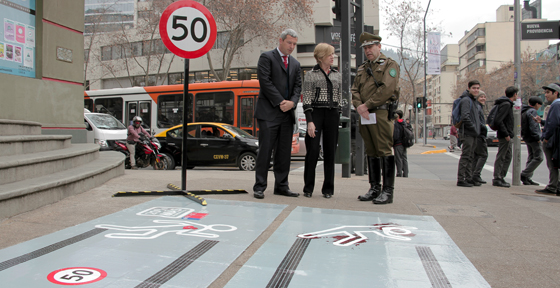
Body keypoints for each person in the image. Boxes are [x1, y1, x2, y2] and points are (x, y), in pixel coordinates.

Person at [252, 29, 302, 199]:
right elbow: (265, 82)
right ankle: (259, 186)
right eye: (289, 43)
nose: (292, 46)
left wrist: (293, 103)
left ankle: (282, 186)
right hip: (268, 113)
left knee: (283, 153)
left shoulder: (295, 64)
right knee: (265, 151)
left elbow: (297, 87)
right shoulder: (267, 57)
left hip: (287, 115)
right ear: (280, 40)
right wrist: (281, 102)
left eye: (294, 44)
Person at [351, 32, 400, 205]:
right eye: (365, 48)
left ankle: (388, 191)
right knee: (371, 151)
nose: (368, 51)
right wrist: (359, 105)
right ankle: (374, 188)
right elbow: (355, 89)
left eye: (370, 47)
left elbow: (387, 89)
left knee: (384, 150)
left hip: (380, 112)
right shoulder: (363, 68)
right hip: (365, 113)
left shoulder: (390, 65)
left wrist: (367, 105)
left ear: (379, 46)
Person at [302, 43, 342, 199]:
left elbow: (340, 97)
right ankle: (308, 188)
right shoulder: (311, 74)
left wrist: (338, 113)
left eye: (333, 54)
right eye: (329, 54)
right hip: (316, 113)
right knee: (312, 151)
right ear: (320, 57)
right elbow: (307, 99)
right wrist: (310, 121)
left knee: (330, 152)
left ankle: (328, 189)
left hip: (332, 115)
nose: (333, 57)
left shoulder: (337, 74)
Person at [535, 83, 560, 196]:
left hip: (553, 139)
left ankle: (552, 186)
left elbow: (553, 123)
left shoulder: (556, 104)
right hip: (556, 138)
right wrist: (543, 122)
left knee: (552, 164)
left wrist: (545, 138)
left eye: (548, 92)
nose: (546, 95)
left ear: (556, 93)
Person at [456, 80, 482, 187]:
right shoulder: (466, 100)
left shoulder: (473, 100)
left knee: (471, 156)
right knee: (466, 156)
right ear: (469, 88)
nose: (476, 90)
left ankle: (468, 177)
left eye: (477, 88)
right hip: (467, 133)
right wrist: (474, 129)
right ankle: (461, 179)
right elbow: (465, 117)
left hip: (473, 133)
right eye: (474, 88)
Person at [492, 86, 518, 188]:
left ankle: (500, 177)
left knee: (507, 156)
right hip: (505, 135)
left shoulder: (506, 103)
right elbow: (499, 120)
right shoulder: (506, 104)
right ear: (515, 94)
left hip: (506, 134)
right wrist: (506, 134)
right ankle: (498, 178)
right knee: (502, 156)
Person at [520, 96, 544, 185]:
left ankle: (527, 177)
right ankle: (525, 174)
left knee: (531, 156)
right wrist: (537, 137)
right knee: (538, 157)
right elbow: (533, 126)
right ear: (537, 104)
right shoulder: (532, 111)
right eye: (539, 105)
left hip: (527, 137)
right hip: (533, 138)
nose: (539, 107)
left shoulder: (524, 110)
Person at [472, 91, 488, 185]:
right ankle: (476, 175)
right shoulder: (478, 107)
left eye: (484, 97)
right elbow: (479, 122)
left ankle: (474, 174)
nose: (483, 98)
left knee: (476, 156)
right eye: (481, 97)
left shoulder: (478, 107)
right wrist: (483, 129)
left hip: (477, 133)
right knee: (483, 155)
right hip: (479, 134)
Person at [393, 110, 409, 177]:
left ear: (398, 116)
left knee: (398, 159)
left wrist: (393, 142)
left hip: (398, 144)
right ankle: (405, 173)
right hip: (404, 143)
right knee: (404, 158)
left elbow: (396, 135)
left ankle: (399, 173)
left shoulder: (397, 124)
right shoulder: (404, 123)